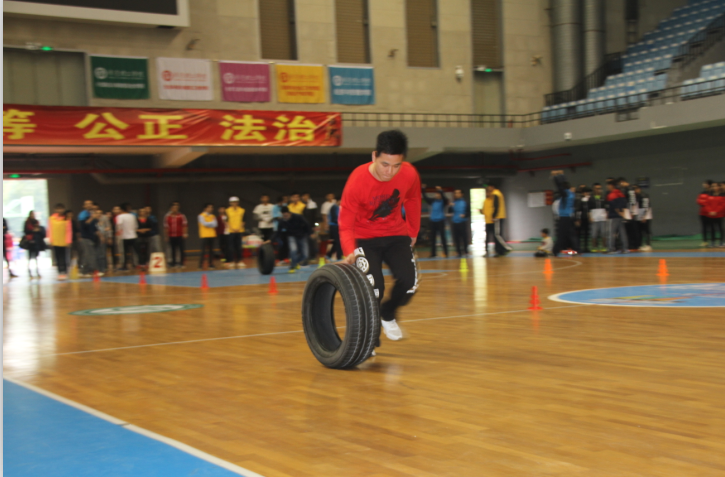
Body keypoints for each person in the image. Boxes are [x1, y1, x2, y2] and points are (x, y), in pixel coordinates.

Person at [339, 129, 421, 343]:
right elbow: (345, 222)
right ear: (374, 156)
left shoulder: (409, 173)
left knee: (409, 282)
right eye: (385, 164)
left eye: (396, 165)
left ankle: (388, 312)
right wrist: (349, 250)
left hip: (396, 234)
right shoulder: (357, 181)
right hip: (364, 239)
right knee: (374, 287)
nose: (390, 172)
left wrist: (413, 231)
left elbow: (412, 199)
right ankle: (370, 338)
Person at [269, 206, 313, 273]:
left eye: (286, 215)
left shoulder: (298, 217)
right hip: (291, 236)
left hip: (302, 236)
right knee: (293, 250)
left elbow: (307, 224)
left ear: (290, 213)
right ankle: (292, 266)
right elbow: (278, 232)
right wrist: (271, 240)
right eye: (284, 215)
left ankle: (295, 263)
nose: (285, 217)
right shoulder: (282, 221)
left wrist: (310, 233)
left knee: (305, 255)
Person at [551, 171, 580, 256]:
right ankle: (577, 249)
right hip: (569, 217)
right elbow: (563, 183)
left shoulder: (565, 194)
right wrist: (562, 175)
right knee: (572, 234)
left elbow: (559, 186)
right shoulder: (571, 194)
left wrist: (555, 177)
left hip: (564, 217)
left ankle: (555, 251)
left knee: (561, 235)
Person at [481, 184, 511, 257]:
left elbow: (496, 206)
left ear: (492, 187)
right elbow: (485, 210)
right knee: (491, 236)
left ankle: (506, 248)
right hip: (488, 221)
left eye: (489, 190)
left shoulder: (495, 194)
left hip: (495, 219)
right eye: (487, 191)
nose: (488, 193)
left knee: (497, 235)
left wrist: (494, 216)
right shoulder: (486, 201)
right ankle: (496, 251)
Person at [422, 185, 449, 258]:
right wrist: (423, 189)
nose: (436, 195)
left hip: (440, 221)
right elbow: (425, 197)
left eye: (438, 194)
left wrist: (440, 190)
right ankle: (433, 253)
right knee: (432, 238)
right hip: (433, 222)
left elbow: (444, 198)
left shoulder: (443, 202)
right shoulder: (432, 201)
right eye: (436, 194)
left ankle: (446, 253)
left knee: (443, 237)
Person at [48, 204, 72, 280]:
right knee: (57, 257)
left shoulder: (67, 219)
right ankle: (59, 272)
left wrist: (68, 240)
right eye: (58, 209)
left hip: (64, 241)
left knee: (64, 257)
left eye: (61, 209)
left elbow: (69, 231)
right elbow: (50, 230)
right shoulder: (52, 218)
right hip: (55, 241)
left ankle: (64, 271)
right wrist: (50, 240)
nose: (59, 211)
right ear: (55, 210)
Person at [606, 179, 628, 254]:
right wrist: (622, 214)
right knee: (622, 233)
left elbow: (615, 207)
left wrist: (618, 212)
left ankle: (610, 249)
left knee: (611, 232)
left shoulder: (611, 195)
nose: (607, 187)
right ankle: (625, 248)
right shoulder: (621, 194)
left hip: (613, 216)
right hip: (620, 216)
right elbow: (624, 204)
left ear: (611, 186)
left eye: (608, 185)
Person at [115, 203, 138, 271]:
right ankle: (136, 264)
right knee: (134, 251)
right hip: (133, 235)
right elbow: (136, 226)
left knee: (123, 252)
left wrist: (118, 234)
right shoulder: (133, 216)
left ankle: (123, 265)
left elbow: (119, 226)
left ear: (121, 209)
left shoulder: (120, 216)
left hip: (124, 237)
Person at [79, 207, 101, 277]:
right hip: (85, 238)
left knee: (88, 255)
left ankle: (84, 271)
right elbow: (84, 226)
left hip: (92, 238)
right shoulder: (84, 218)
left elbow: (95, 229)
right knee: (90, 255)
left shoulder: (94, 221)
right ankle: (91, 271)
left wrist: (100, 236)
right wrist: (91, 218)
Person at [164, 202, 188, 269]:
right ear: (171, 208)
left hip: (180, 235)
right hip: (171, 235)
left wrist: (185, 234)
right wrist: (166, 236)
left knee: (181, 249)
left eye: (176, 208)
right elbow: (166, 227)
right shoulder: (168, 217)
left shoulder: (181, 216)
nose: (175, 209)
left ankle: (181, 263)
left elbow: (185, 225)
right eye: (174, 208)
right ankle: (173, 263)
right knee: (173, 249)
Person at [225, 196, 246, 268]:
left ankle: (240, 261)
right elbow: (226, 221)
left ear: (238, 202)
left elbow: (243, 221)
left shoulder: (242, 210)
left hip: (239, 231)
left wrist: (239, 228)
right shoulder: (227, 210)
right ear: (230, 203)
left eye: (236, 202)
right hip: (231, 231)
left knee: (239, 247)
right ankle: (231, 261)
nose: (234, 203)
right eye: (233, 202)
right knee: (231, 247)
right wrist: (232, 228)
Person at [450, 189, 469, 257]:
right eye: (455, 193)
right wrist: (451, 206)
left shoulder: (465, 202)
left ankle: (466, 251)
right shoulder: (454, 202)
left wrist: (465, 215)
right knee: (456, 238)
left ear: (461, 194)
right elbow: (450, 211)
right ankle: (458, 252)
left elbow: (468, 213)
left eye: (458, 193)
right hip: (455, 222)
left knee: (464, 237)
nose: (456, 194)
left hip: (462, 222)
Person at [589, 183, 608, 252]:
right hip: (594, 219)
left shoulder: (604, 197)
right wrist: (590, 217)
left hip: (603, 218)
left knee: (603, 233)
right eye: (597, 188)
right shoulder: (591, 198)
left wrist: (606, 216)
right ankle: (594, 247)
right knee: (594, 234)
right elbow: (589, 210)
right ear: (594, 189)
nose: (598, 190)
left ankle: (604, 247)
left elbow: (606, 208)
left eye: (599, 188)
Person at [302, 193, 321, 261]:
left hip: (311, 226)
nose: (305, 197)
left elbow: (314, 216)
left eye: (306, 196)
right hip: (304, 226)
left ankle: (313, 256)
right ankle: (307, 256)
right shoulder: (302, 205)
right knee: (306, 241)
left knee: (312, 241)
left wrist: (314, 226)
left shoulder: (313, 204)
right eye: (303, 196)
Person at [198, 203, 218, 269]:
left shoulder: (213, 216)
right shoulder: (201, 216)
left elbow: (215, 224)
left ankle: (211, 264)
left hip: (212, 235)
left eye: (212, 207)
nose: (211, 209)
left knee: (211, 251)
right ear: (205, 208)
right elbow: (204, 224)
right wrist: (211, 223)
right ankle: (200, 265)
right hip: (204, 235)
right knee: (203, 251)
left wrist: (209, 224)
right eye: (209, 207)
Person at [635, 185, 653, 252]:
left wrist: (644, 216)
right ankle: (644, 245)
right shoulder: (638, 196)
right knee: (642, 231)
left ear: (639, 189)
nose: (635, 191)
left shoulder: (644, 195)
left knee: (647, 231)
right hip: (641, 215)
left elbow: (646, 206)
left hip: (646, 216)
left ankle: (648, 245)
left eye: (636, 189)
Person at [706, 182, 724, 247]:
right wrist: (710, 211)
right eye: (713, 186)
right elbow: (707, 204)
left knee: (720, 228)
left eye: (715, 186)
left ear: (719, 187)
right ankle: (713, 242)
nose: (714, 187)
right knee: (712, 228)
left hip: (719, 215)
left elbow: (722, 205)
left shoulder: (722, 195)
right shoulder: (710, 195)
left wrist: (716, 211)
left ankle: (721, 242)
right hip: (711, 215)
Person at [577, 186, 592, 253]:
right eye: (586, 192)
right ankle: (579, 247)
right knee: (580, 233)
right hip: (582, 218)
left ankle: (586, 247)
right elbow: (579, 210)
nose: (587, 193)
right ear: (583, 193)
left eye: (588, 192)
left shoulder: (589, 200)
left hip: (587, 219)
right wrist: (579, 218)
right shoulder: (581, 200)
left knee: (586, 233)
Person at [698, 181, 713, 247]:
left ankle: (713, 242)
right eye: (703, 183)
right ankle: (705, 241)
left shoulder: (713, 194)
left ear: (709, 185)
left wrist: (706, 202)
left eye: (705, 184)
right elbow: (699, 201)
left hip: (712, 213)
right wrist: (706, 203)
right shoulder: (702, 193)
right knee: (704, 227)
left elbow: (712, 202)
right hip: (703, 213)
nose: (703, 185)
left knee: (712, 227)